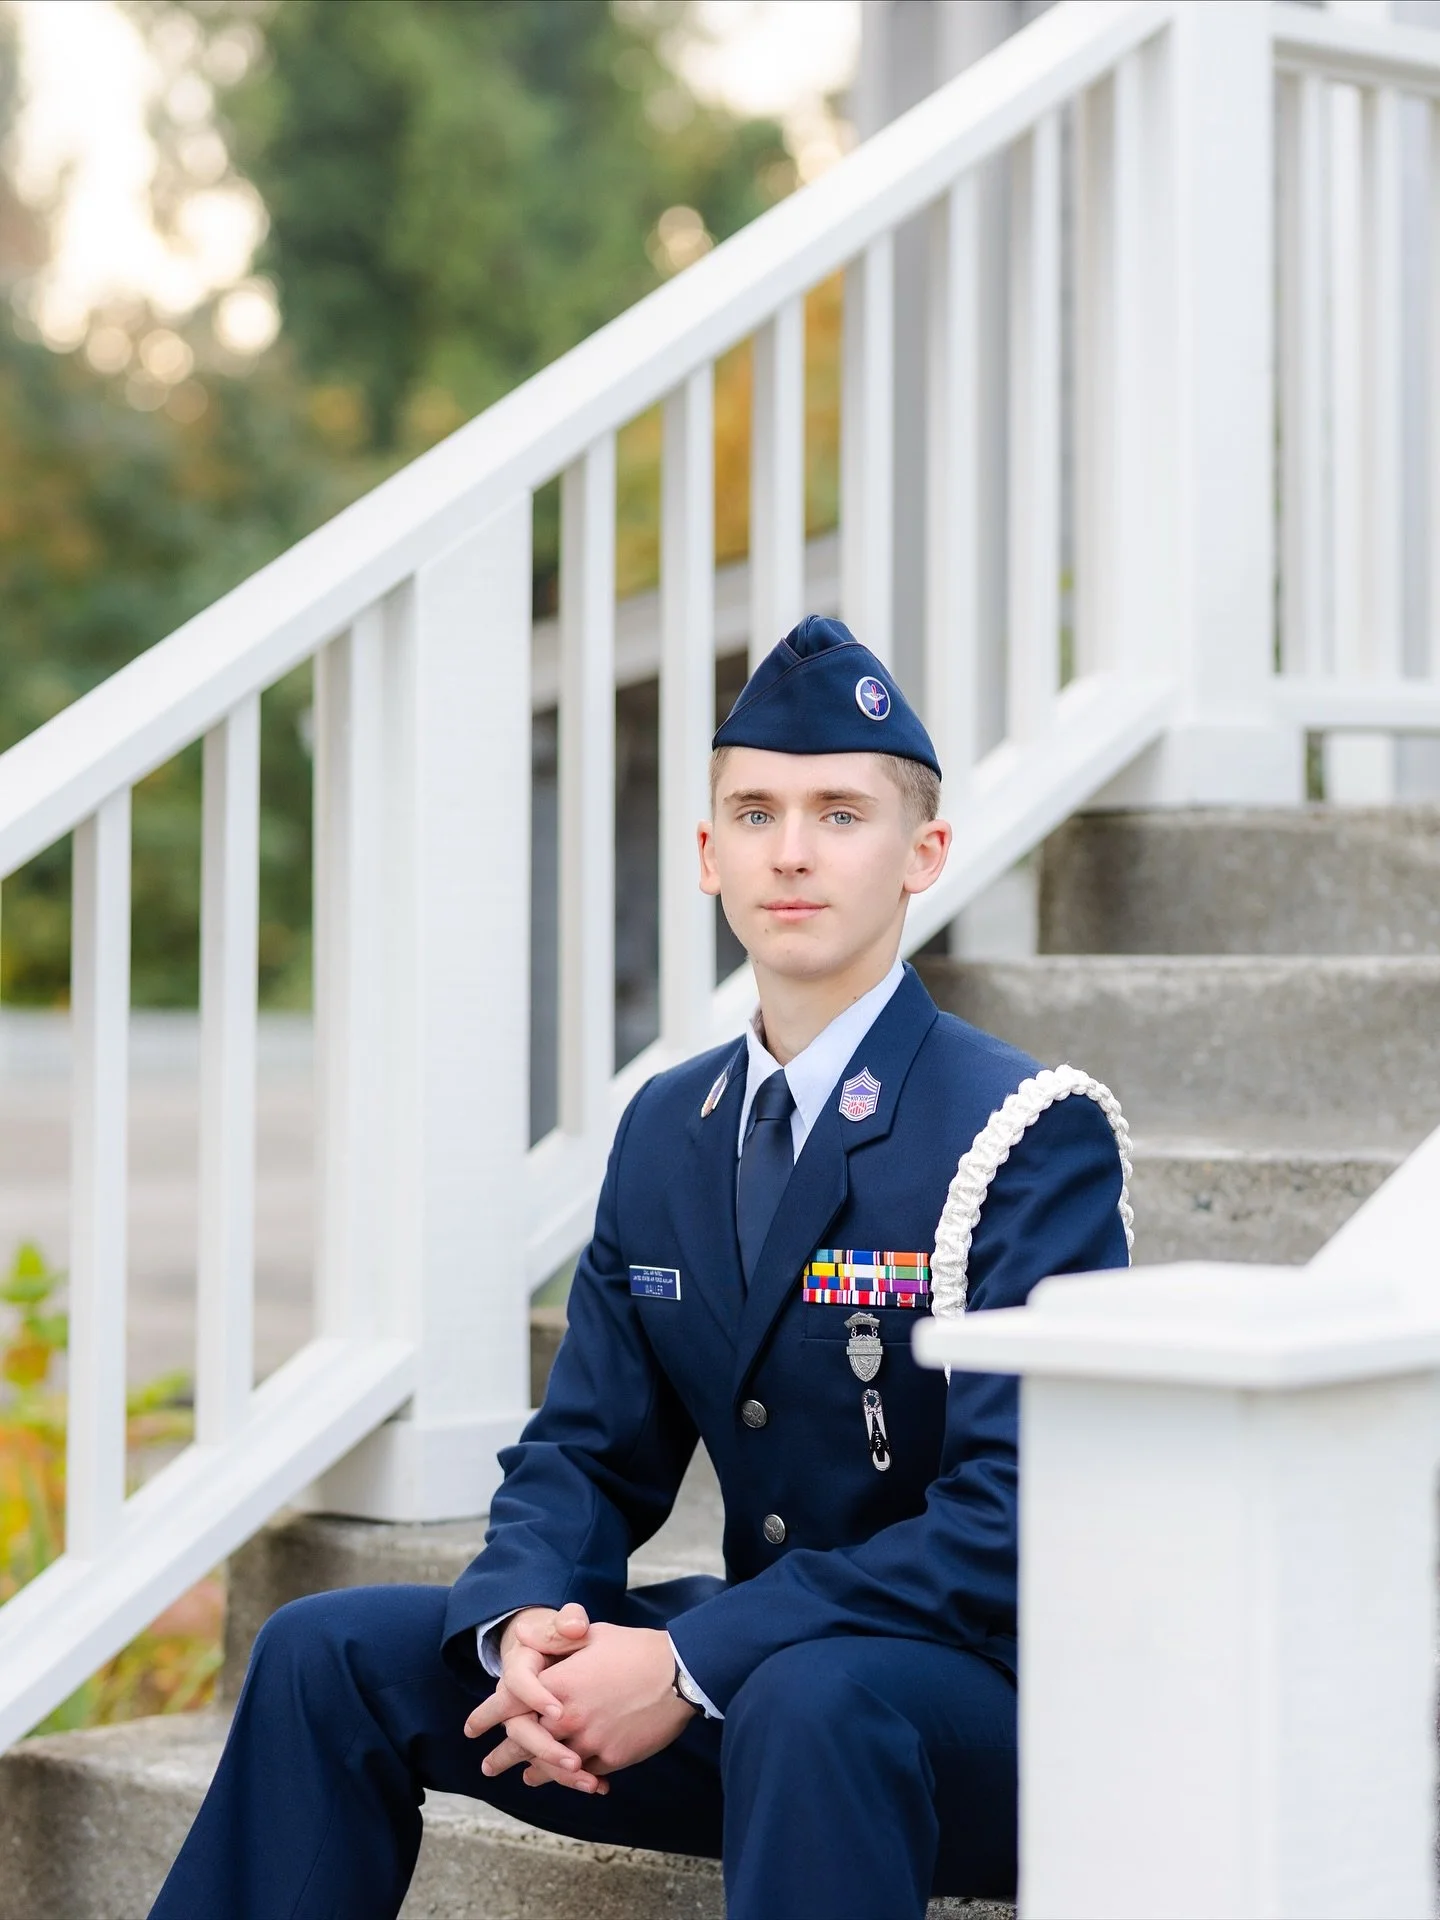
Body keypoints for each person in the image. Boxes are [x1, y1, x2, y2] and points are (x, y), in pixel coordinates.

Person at [150, 615, 1129, 1920]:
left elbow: (1015, 1522)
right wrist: (526, 1631)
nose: (792, 850)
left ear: (923, 854)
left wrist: (681, 1660)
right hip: (756, 1684)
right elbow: (586, 1455)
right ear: (708, 853)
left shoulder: (1023, 1128)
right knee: (326, 1651)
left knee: (807, 1694)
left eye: (841, 814)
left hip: (971, 1712)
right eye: (756, 811)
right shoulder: (671, 1127)